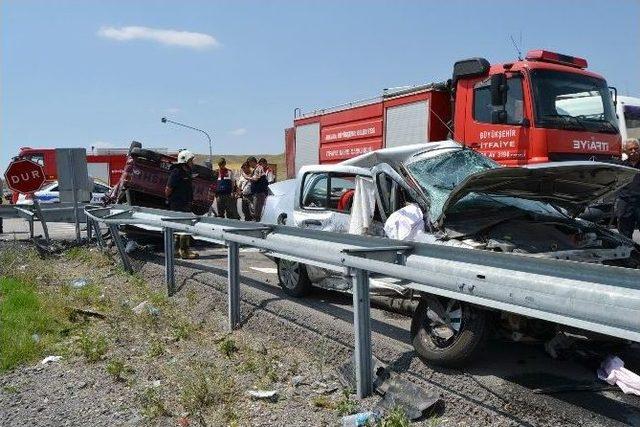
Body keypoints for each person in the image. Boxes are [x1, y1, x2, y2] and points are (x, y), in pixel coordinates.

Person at [165, 149, 199, 259]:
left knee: (180, 227)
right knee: (184, 228)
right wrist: (172, 200)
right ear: (185, 161)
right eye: (191, 160)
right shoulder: (177, 172)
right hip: (178, 204)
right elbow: (168, 189)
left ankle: (176, 251)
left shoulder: (186, 172)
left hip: (185, 204)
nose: (192, 163)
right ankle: (184, 252)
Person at [616, 138, 640, 239]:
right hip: (625, 204)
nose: (634, 151)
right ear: (625, 151)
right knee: (624, 235)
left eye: (636, 148)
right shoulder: (621, 166)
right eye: (630, 149)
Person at [247, 156, 269, 222]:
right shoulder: (256, 169)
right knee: (255, 211)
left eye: (249, 163)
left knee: (257, 212)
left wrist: (247, 178)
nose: (249, 165)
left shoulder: (258, 168)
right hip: (256, 193)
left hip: (259, 193)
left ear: (252, 162)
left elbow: (256, 179)